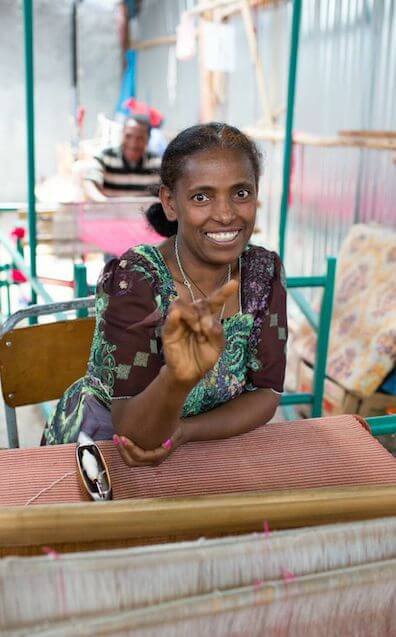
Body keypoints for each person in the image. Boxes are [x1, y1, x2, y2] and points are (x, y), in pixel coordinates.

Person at [43, 123, 288, 469]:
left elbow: (266, 394)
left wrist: (186, 431)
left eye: (241, 193)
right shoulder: (136, 278)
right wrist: (178, 377)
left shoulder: (263, 273)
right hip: (106, 449)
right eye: (201, 196)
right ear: (171, 203)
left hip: (202, 444)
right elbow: (135, 435)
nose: (226, 213)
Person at [83, 116, 161, 202]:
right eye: (128, 136)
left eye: (140, 138)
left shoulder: (158, 163)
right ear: (121, 134)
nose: (133, 143)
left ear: (148, 139)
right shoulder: (105, 158)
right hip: (111, 213)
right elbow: (89, 183)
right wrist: (105, 203)